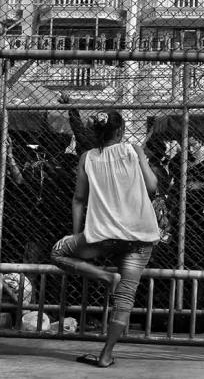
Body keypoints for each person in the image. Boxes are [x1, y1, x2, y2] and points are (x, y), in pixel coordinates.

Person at [50, 110, 160, 369]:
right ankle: (106, 355)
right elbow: (153, 186)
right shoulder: (133, 150)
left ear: (96, 133)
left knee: (58, 253)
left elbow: (79, 200)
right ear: (121, 131)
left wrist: (76, 234)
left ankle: (105, 277)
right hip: (140, 236)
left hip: (103, 237)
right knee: (125, 299)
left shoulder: (87, 157)